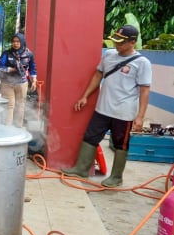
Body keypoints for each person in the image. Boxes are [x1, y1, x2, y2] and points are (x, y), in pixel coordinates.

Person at [62, 25, 152, 187]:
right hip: (102, 108)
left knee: (120, 144)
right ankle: (81, 169)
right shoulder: (109, 55)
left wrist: (140, 117)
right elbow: (98, 75)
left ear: (132, 42)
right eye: (116, 41)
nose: (117, 45)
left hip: (124, 112)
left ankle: (116, 177)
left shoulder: (142, 63)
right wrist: (85, 96)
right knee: (90, 137)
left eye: (121, 42)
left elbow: (144, 91)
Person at [0, 33, 37, 128]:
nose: (15, 44)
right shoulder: (6, 53)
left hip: (22, 83)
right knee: (9, 105)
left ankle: (18, 127)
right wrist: (11, 69)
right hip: (7, 83)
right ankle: (7, 128)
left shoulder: (29, 54)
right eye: (14, 41)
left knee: (20, 105)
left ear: (22, 42)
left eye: (18, 41)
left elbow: (33, 68)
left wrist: (34, 79)